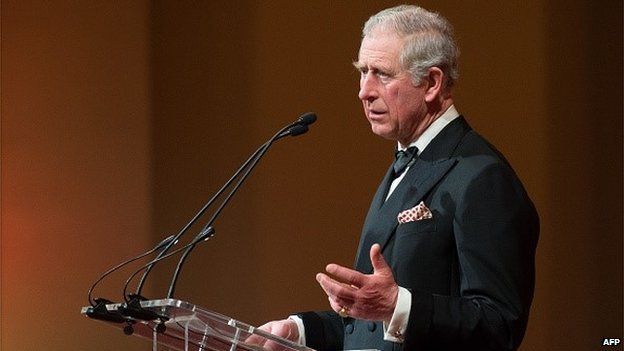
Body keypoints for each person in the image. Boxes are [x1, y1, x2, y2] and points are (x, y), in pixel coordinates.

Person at [251, 4, 539, 351]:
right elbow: (372, 325)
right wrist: (298, 331)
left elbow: (499, 324)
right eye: (362, 71)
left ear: (431, 82)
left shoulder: (482, 177)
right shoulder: (405, 166)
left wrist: (397, 306)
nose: (364, 91)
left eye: (382, 74)